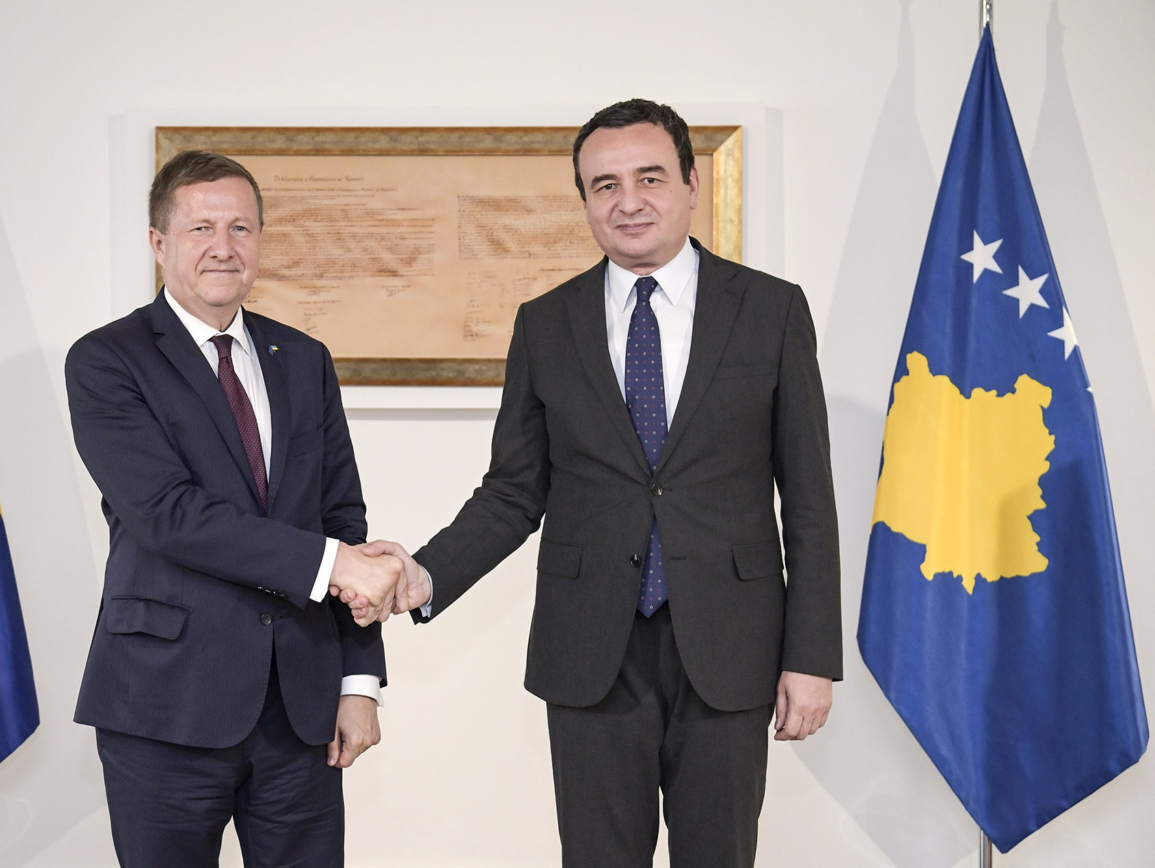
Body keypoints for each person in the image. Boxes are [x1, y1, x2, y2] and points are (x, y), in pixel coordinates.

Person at [359, 99, 842, 867]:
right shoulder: (546, 323)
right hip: (590, 652)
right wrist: (423, 572)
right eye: (605, 185)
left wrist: (811, 655)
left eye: (650, 177)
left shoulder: (770, 311)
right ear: (585, 200)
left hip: (732, 647)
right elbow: (514, 491)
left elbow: (810, 500)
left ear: (691, 184)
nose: (629, 201)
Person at [65, 150, 405, 868]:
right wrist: (334, 564)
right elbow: (168, 514)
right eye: (201, 229)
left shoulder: (304, 358)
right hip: (164, 706)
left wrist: (358, 681)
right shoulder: (107, 360)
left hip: (301, 711)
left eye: (241, 228)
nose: (223, 247)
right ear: (159, 243)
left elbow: (342, 520)